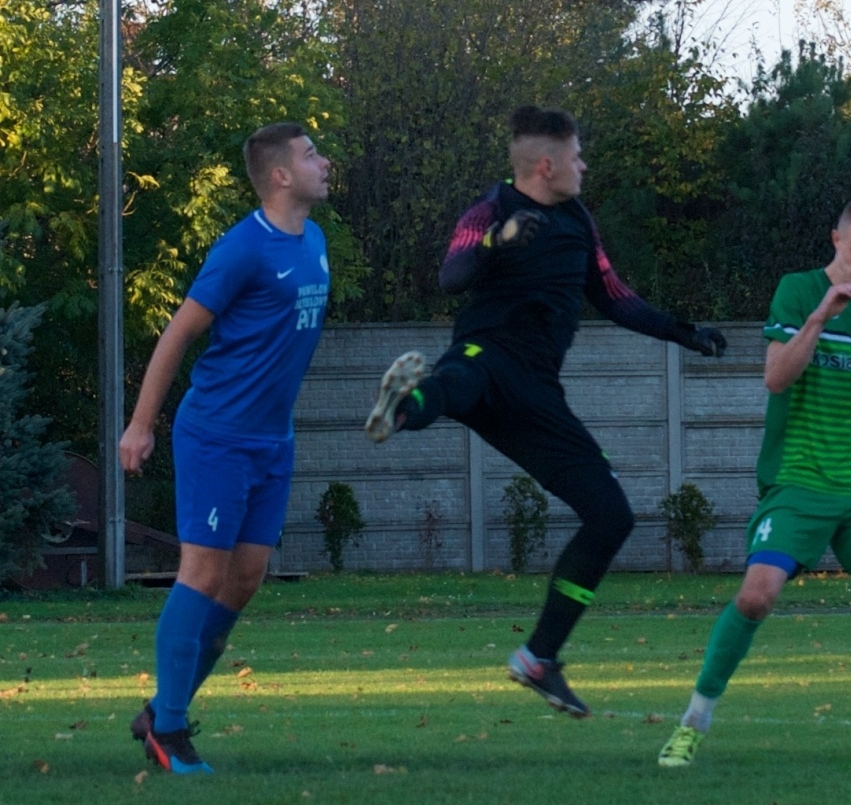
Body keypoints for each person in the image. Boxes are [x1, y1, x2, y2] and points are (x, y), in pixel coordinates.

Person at [363, 106, 725, 718]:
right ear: (547, 164)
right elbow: (452, 275)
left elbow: (614, 298)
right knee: (459, 376)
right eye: (578, 157)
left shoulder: (580, 223)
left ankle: (540, 657)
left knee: (611, 516)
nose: (584, 167)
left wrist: (684, 332)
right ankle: (404, 408)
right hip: (486, 356)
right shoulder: (490, 211)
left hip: (536, 394)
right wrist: (497, 244)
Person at [657, 196, 851, 768]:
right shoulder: (799, 290)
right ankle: (693, 722)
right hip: (798, 482)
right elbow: (776, 378)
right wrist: (819, 318)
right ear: (836, 240)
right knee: (756, 596)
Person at [120, 123, 333, 774]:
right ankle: (172, 730)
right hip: (216, 434)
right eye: (310, 155)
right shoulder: (243, 248)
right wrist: (140, 425)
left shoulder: (316, 240)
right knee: (203, 574)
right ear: (278, 175)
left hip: (273, 440)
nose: (324, 162)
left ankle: (165, 707)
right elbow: (177, 334)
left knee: (244, 580)